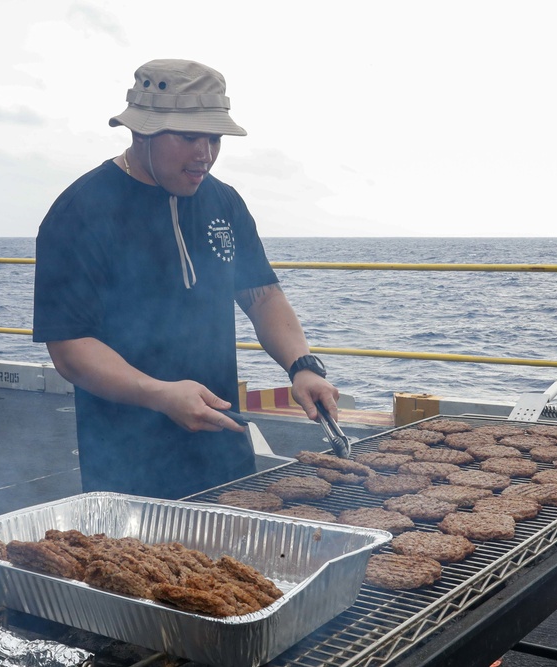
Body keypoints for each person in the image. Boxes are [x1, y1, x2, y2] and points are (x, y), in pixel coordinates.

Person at [33, 59, 338, 499]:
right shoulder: (80, 212)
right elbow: (70, 348)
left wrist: (302, 366)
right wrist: (160, 394)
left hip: (224, 444)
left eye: (214, 138)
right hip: (127, 457)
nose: (205, 154)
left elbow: (263, 296)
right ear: (142, 131)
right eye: (190, 137)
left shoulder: (224, 201)